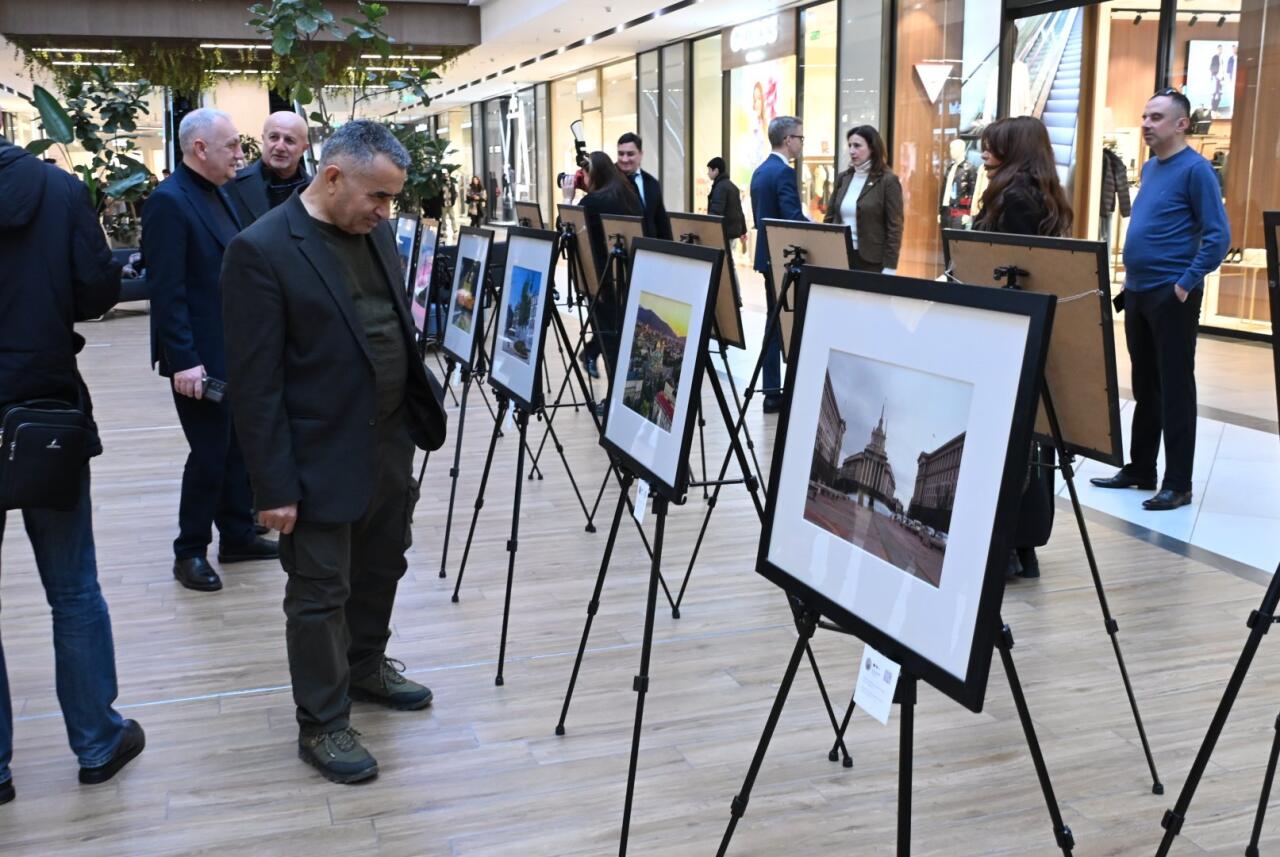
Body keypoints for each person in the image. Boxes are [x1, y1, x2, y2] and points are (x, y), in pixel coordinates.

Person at [221, 120, 448, 784]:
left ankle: (365, 663)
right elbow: (256, 386)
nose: (386, 213)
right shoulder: (260, 251)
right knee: (320, 590)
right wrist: (273, 487)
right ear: (332, 177)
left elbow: (392, 326)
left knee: (383, 562)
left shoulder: (373, 230)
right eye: (378, 196)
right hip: (315, 452)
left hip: (388, 437)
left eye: (392, 200)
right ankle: (322, 721)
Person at [0, 136, 145, 806]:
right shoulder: (57, 191)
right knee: (73, 588)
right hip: (45, 409)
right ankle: (96, 740)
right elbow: (94, 291)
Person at [143, 108, 277, 594]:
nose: (241, 156)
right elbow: (168, 289)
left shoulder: (220, 193)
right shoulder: (169, 202)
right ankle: (189, 550)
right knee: (208, 454)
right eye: (231, 148)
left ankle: (237, 534)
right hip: (197, 357)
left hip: (231, 347)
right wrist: (183, 360)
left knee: (236, 445)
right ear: (200, 149)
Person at [1090, 89, 1229, 511]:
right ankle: (1140, 468)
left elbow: (1218, 236)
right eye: (1145, 116)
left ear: (1181, 124)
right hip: (1138, 292)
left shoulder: (1197, 171)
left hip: (1172, 294)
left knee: (1175, 387)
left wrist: (1185, 282)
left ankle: (1178, 483)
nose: (1146, 124)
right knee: (1146, 384)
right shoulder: (1151, 168)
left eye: (1156, 117)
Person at [971, 116, 1074, 578]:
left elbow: (1003, 262)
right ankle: (1025, 546)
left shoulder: (1012, 195)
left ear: (1014, 148)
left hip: (1006, 328)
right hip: (1034, 330)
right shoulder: (1047, 192)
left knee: (1007, 438)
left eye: (994, 145)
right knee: (1032, 439)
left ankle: (1007, 547)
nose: (984, 152)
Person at [561, 151, 643, 387]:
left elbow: (567, 231)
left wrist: (568, 199)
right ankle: (626, 399)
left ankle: (612, 403)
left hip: (602, 281)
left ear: (592, 175)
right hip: (629, 278)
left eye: (584, 175)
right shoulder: (628, 194)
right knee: (625, 340)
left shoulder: (591, 203)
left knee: (609, 341)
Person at [749, 116, 807, 414]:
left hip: (766, 256)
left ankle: (772, 390)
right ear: (788, 140)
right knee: (787, 323)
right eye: (800, 138)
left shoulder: (760, 171)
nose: (800, 143)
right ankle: (782, 389)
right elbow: (791, 218)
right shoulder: (784, 173)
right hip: (784, 257)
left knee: (772, 324)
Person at [822, 125, 903, 273]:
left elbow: (895, 227)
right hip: (841, 255)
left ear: (872, 148)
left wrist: (890, 266)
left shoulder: (888, 180)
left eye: (857, 146)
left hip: (871, 261)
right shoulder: (843, 178)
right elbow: (830, 217)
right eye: (850, 146)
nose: (852, 151)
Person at [225, 110, 311, 227]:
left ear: (304, 149)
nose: (280, 147)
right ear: (263, 139)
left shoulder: (316, 192)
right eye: (274, 137)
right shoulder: (230, 186)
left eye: (289, 140)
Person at [615, 133, 672, 241]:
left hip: (649, 250)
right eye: (621, 154)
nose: (624, 159)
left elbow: (661, 222)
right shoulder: (609, 179)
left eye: (630, 154)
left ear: (641, 154)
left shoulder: (652, 183)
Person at [706, 156, 747, 253]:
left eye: (709, 170)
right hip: (732, 231)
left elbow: (716, 211)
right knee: (729, 261)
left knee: (725, 262)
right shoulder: (732, 186)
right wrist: (743, 231)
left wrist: (709, 230)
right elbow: (739, 211)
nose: (708, 173)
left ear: (716, 170)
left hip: (724, 232)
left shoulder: (720, 187)